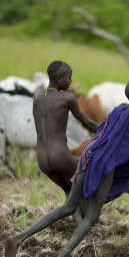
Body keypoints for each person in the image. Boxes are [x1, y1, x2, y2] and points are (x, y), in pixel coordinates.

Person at [5, 78, 129, 257]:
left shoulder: (120, 110)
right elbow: (126, 155)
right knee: (91, 217)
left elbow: (103, 134)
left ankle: (18, 238)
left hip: (88, 156)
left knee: (68, 206)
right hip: (104, 165)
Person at [33, 61, 98, 223]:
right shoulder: (67, 98)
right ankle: (88, 227)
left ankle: (78, 224)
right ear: (58, 78)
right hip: (60, 154)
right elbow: (87, 123)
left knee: (70, 191)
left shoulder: (37, 97)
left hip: (42, 158)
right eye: (69, 78)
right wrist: (107, 132)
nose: (70, 81)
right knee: (81, 189)